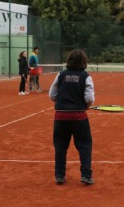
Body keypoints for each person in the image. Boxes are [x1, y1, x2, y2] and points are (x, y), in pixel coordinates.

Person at [48, 49, 95, 185]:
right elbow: (90, 97)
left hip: (61, 116)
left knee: (60, 146)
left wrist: (62, 102)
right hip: (79, 116)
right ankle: (86, 175)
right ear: (84, 62)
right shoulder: (86, 76)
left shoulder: (61, 75)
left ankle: (59, 175)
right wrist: (86, 105)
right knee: (84, 145)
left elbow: (52, 94)